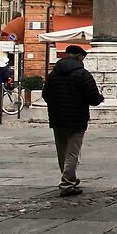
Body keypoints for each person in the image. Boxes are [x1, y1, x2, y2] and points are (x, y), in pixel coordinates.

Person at [42, 44, 105, 193]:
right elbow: (93, 98)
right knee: (72, 151)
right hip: (77, 118)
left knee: (62, 150)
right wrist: (100, 98)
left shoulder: (54, 74)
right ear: (79, 57)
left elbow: (46, 95)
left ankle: (69, 177)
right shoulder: (83, 74)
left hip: (57, 117)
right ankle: (67, 184)